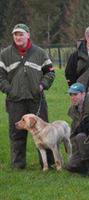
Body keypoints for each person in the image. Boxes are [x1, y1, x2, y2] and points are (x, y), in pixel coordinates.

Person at [0, 23, 55, 169]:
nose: (18, 37)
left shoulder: (40, 53)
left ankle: (49, 163)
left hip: (36, 99)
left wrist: (42, 85)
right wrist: (9, 89)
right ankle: (18, 164)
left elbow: (50, 72)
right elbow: (0, 76)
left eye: (21, 34)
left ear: (28, 35)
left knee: (44, 131)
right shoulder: (5, 54)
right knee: (16, 132)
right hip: (15, 100)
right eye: (15, 34)